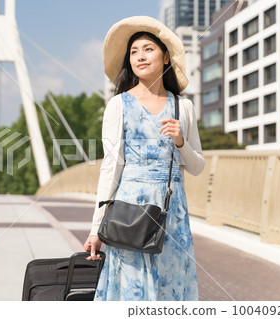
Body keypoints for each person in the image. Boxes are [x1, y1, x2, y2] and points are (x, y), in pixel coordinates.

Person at [83, 16, 205, 301]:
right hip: (130, 216)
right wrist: (96, 228)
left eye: (148, 49)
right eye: (134, 51)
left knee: (170, 290)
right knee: (133, 294)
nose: (140, 56)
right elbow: (111, 167)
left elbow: (197, 166)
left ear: (165, 58)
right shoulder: (118, 105)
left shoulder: (182, 106)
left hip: (171, 215)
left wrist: (181, 142)